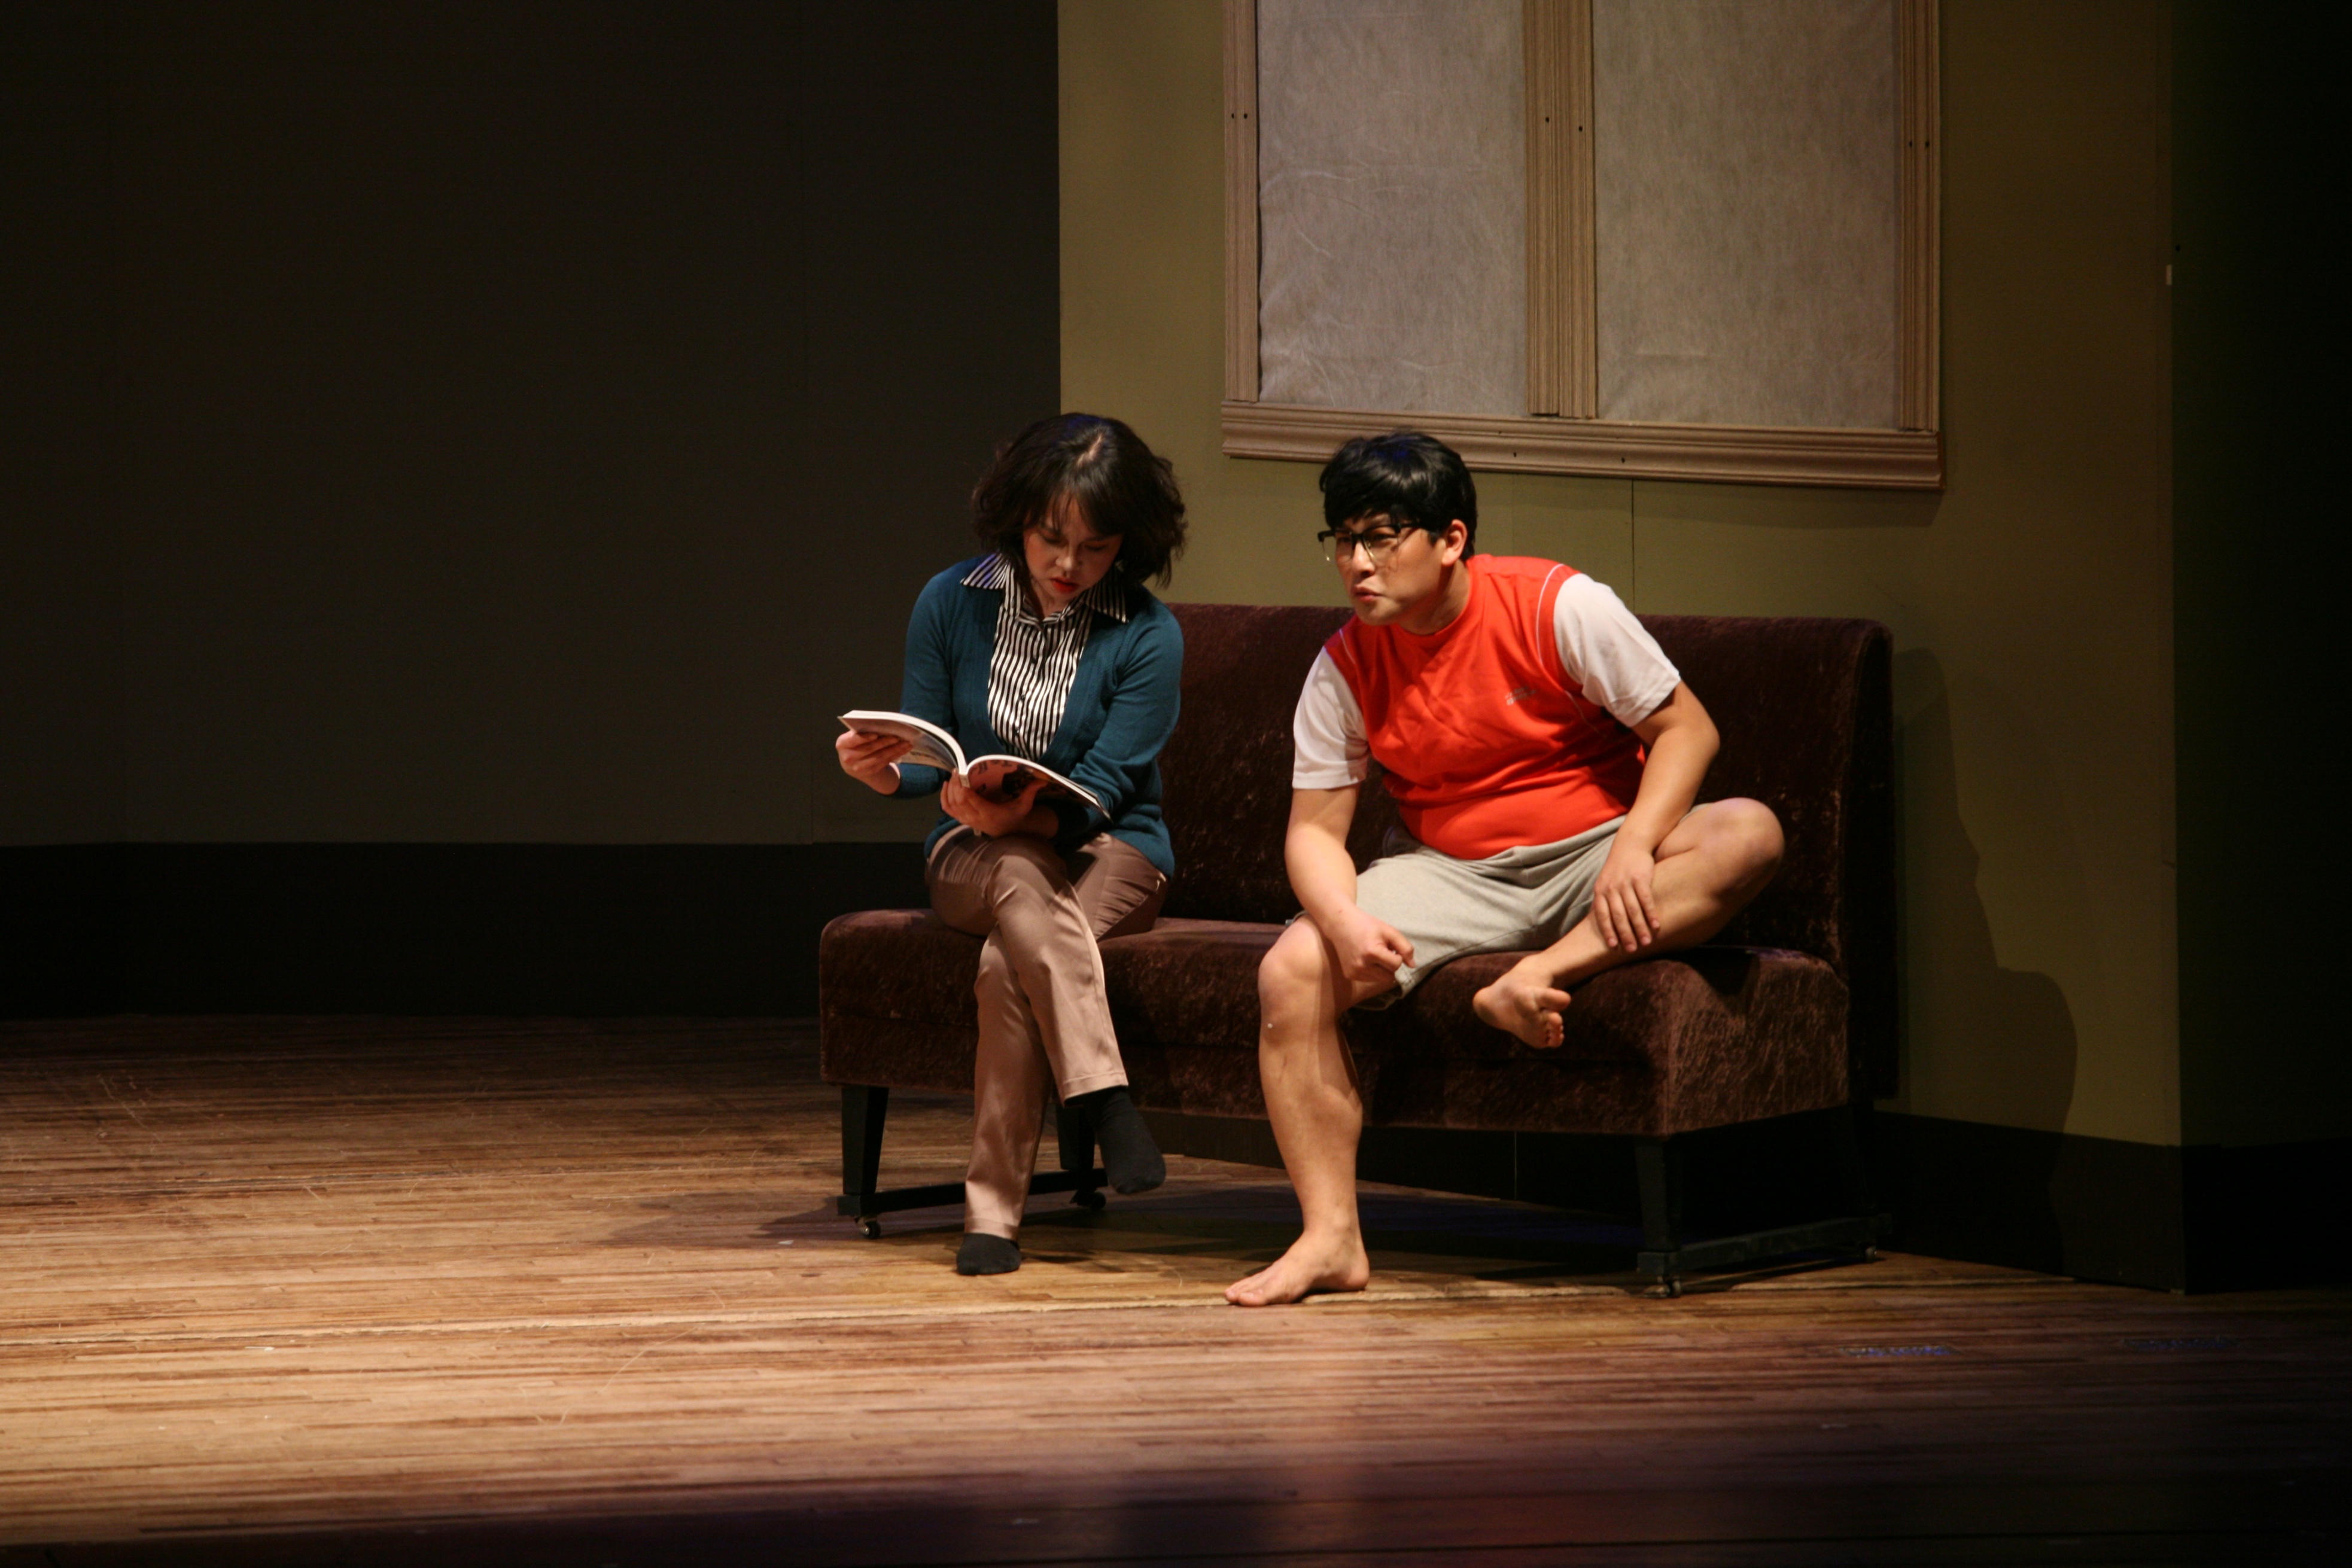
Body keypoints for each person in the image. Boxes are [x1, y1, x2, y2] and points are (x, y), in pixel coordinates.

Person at [1227, 433, 1786, 1307]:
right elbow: (1313, 832)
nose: (1357, 564)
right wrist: (1340, 919)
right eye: (1343, 540)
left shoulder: (1557, 605)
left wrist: (1634, 846)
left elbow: (1688, 731)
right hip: (1452, 871)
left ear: (1451, 538)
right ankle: (1330, 1236)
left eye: (1381, 538)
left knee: (1749, 833)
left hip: (1597, 848)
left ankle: (1536, 976)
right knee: (1289, 971)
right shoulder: (1344, 662)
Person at [835, 413, 1188, 1277]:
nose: (1069, 563)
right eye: (1050, 538)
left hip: (1111, 850)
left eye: (1096, 547)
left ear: (1130, 541)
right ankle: (1105, 1097)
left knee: (1007, 963)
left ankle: (992, 1216)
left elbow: (1104, 793)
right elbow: (926, 755)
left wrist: (1019, 819)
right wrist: (884, 772)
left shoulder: (1148, 633)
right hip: (973, 853)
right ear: (1017, 518)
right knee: (1019, 876)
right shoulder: (949, 601)